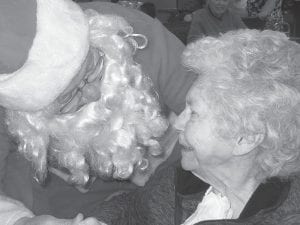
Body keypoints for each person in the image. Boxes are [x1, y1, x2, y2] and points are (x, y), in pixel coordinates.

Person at [0, 0, 197, 221]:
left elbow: (214, 106)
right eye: (69, 97)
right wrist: (20, 220)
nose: (94, 93)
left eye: (93, 69)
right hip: (65, 202)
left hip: (177, 167)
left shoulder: (132, 33)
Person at [85, 29, 300, 225]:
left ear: (246, 138)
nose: (177, 123)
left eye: (193, 113)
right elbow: (133, 207)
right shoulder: (181, 178)